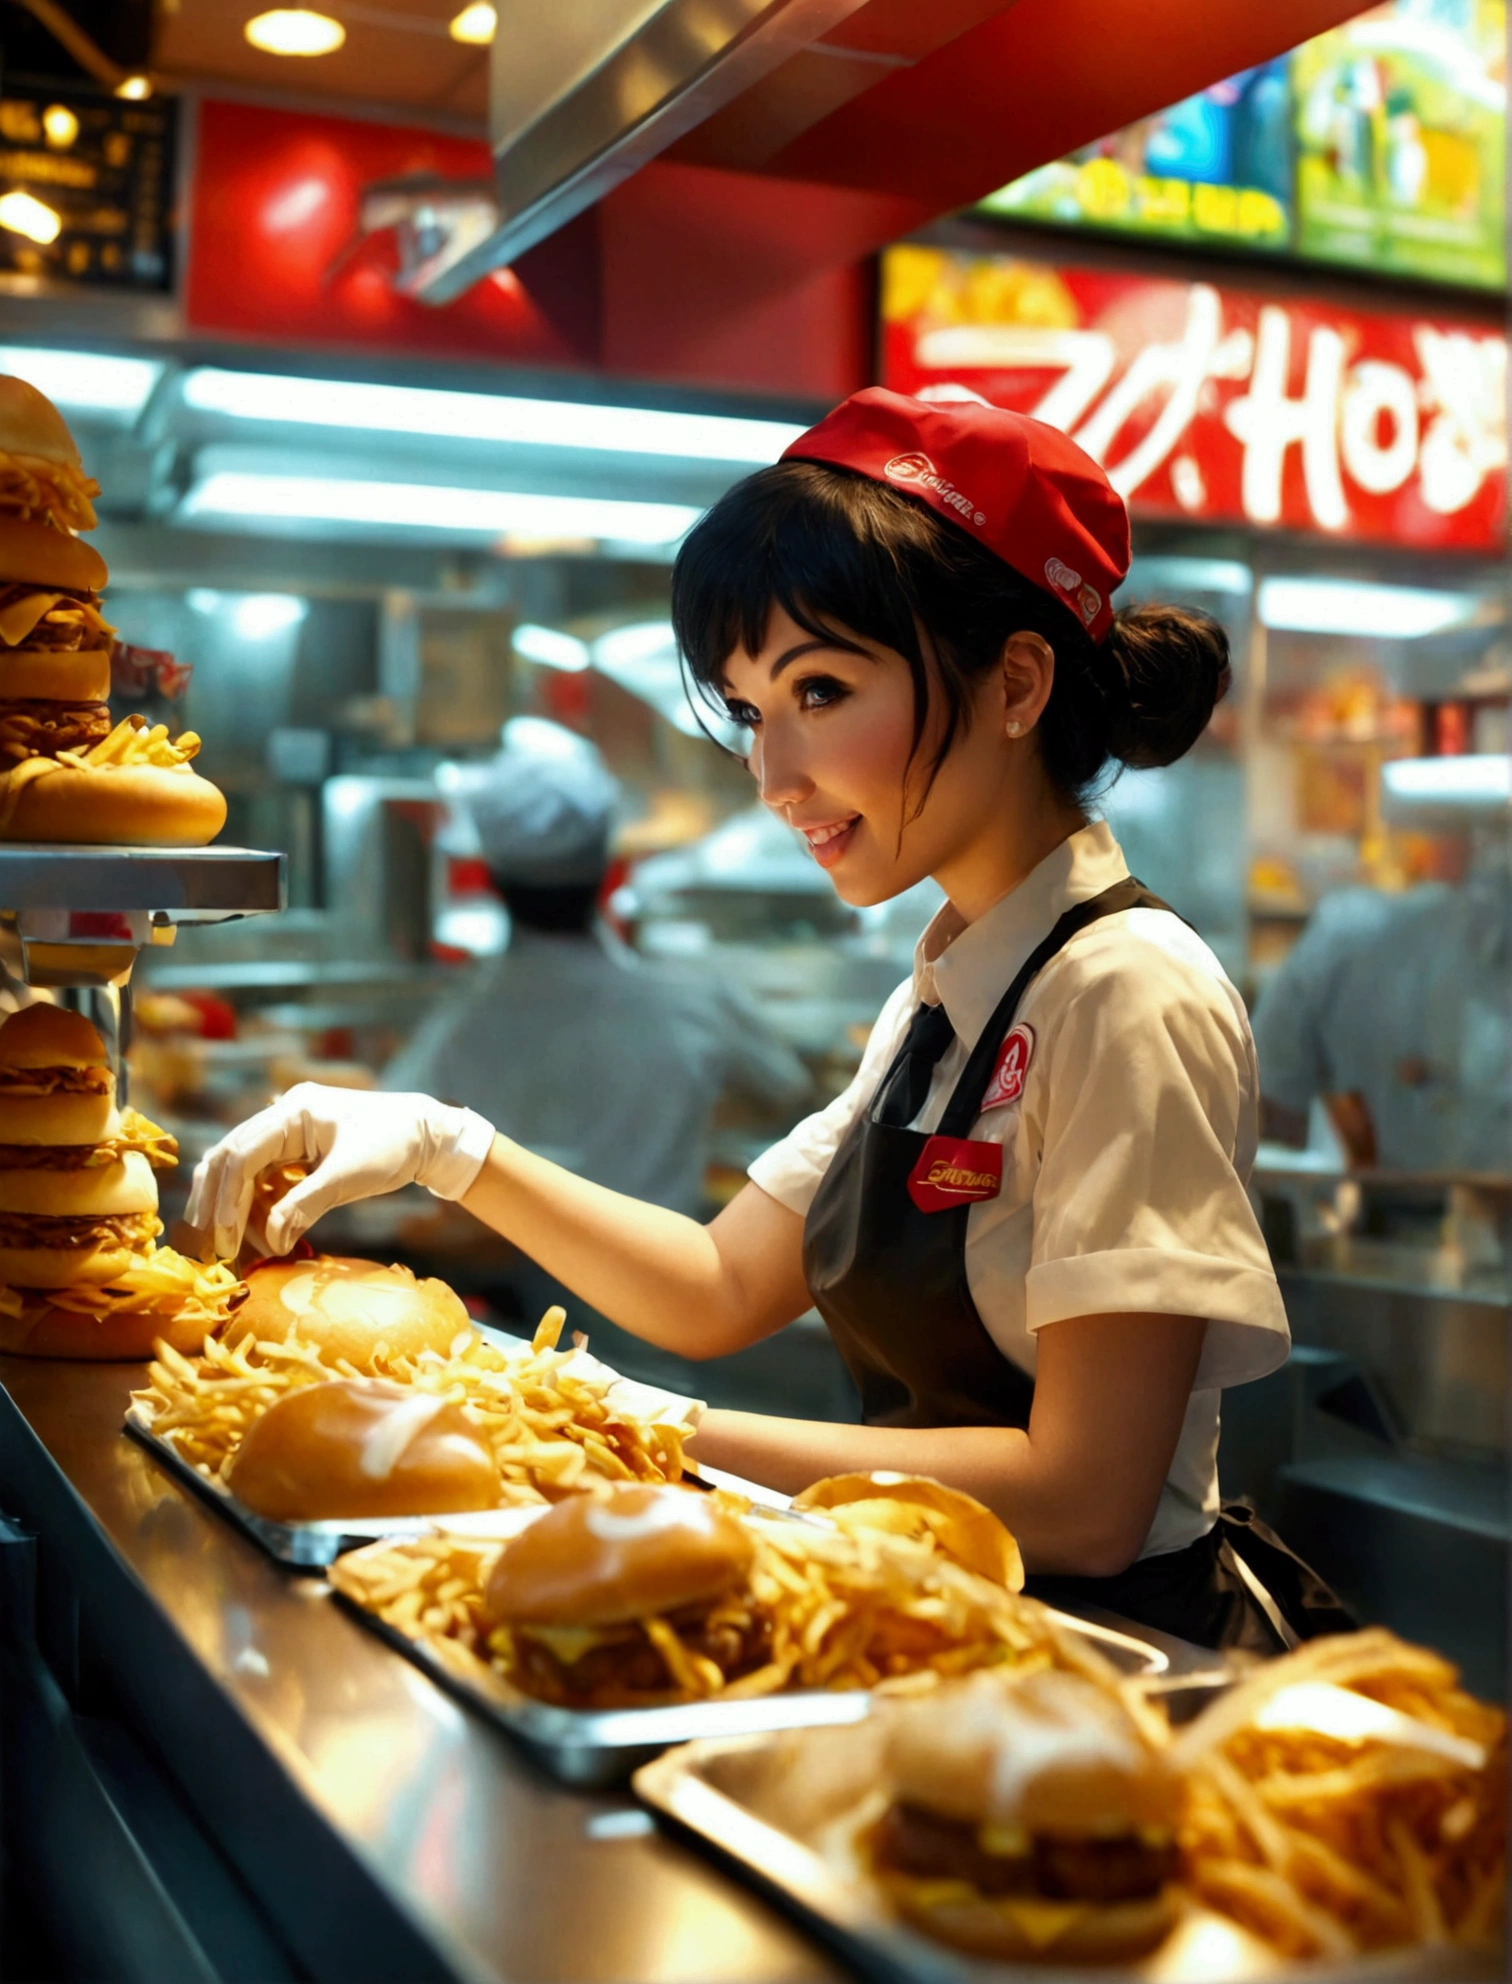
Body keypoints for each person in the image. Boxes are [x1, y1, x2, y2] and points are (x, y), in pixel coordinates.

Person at [190, 389, 1343, 1651]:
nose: (772, 772)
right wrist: (440, 1145)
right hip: (941, 1625)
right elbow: (720, 1281)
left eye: (822, 689)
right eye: (748, 710)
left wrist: (639, 1422)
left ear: (1016, 682)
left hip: (1116, 1662)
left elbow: (1088, 1500)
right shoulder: (946, 994)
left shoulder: (1126, 990)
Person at [385, 717, 811, 1217]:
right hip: (668, 1282)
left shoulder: (465, 1020)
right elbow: (791, 1097)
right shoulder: (693, 1005)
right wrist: (683, 1118)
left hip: (512, 1292)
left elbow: (391, 1128)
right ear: (610, 871)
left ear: (489, 877)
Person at [1252, 859, 1512, 1174]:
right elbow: (1265, 1102)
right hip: (1377, 1203)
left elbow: (1263, 1106)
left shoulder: (1345, 933)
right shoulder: (1346, 937)